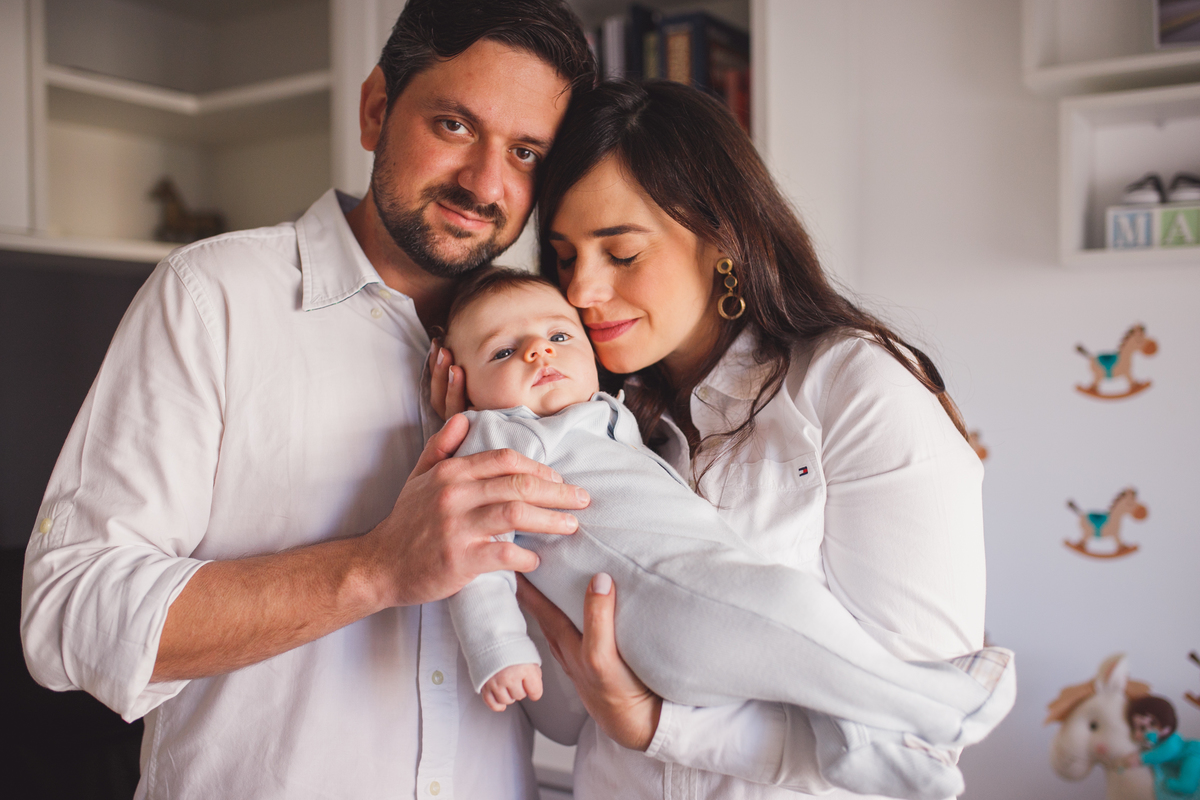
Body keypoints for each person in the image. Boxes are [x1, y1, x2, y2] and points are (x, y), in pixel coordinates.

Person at [20, 2, 596, 798]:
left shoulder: (560, 353)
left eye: (525, 152)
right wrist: (375, 567)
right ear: (376, 109)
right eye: (455, 125)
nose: (485, 184)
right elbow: (68, 614)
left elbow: (564, 705)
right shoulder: (212, 298)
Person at [430, 79, 999, 799]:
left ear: (721, 240)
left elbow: (922, 739)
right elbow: (563, 717)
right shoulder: (598, 424)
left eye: (622, 253)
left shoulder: (852, 388)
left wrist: (656, 724)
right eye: (567, 257)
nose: (580, 293)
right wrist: (484, 456)